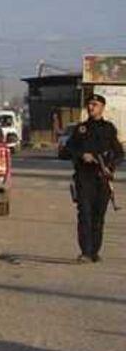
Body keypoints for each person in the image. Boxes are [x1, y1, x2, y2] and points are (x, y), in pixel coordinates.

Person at [66, 93, 122, 263]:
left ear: (102, 107)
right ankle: (85, 252)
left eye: (95, 104)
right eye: (89, 104)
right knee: (85, 215)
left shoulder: (109, 128)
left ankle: (95, 252)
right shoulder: (81, 129)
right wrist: (82, 155)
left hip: (102, 179)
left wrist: (110, 166)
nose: (91, 107)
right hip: (84, 178)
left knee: (98, 217)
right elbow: (67, 150)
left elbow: (119, 153)